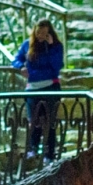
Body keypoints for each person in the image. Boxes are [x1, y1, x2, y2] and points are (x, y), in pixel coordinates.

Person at [13, 20, 64, 160]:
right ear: (34, 31)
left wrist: (52, 46)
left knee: (50, 121)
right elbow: (16, 59)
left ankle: (49, 154)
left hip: (50, 86)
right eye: (39, 32)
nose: (41, 35)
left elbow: (57, 66)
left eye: (44, 33)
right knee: (34, 120)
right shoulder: (27, 44)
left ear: (49, 33)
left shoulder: (56, 46)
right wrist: (20, 67)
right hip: (33, 88)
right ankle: (33, 148)